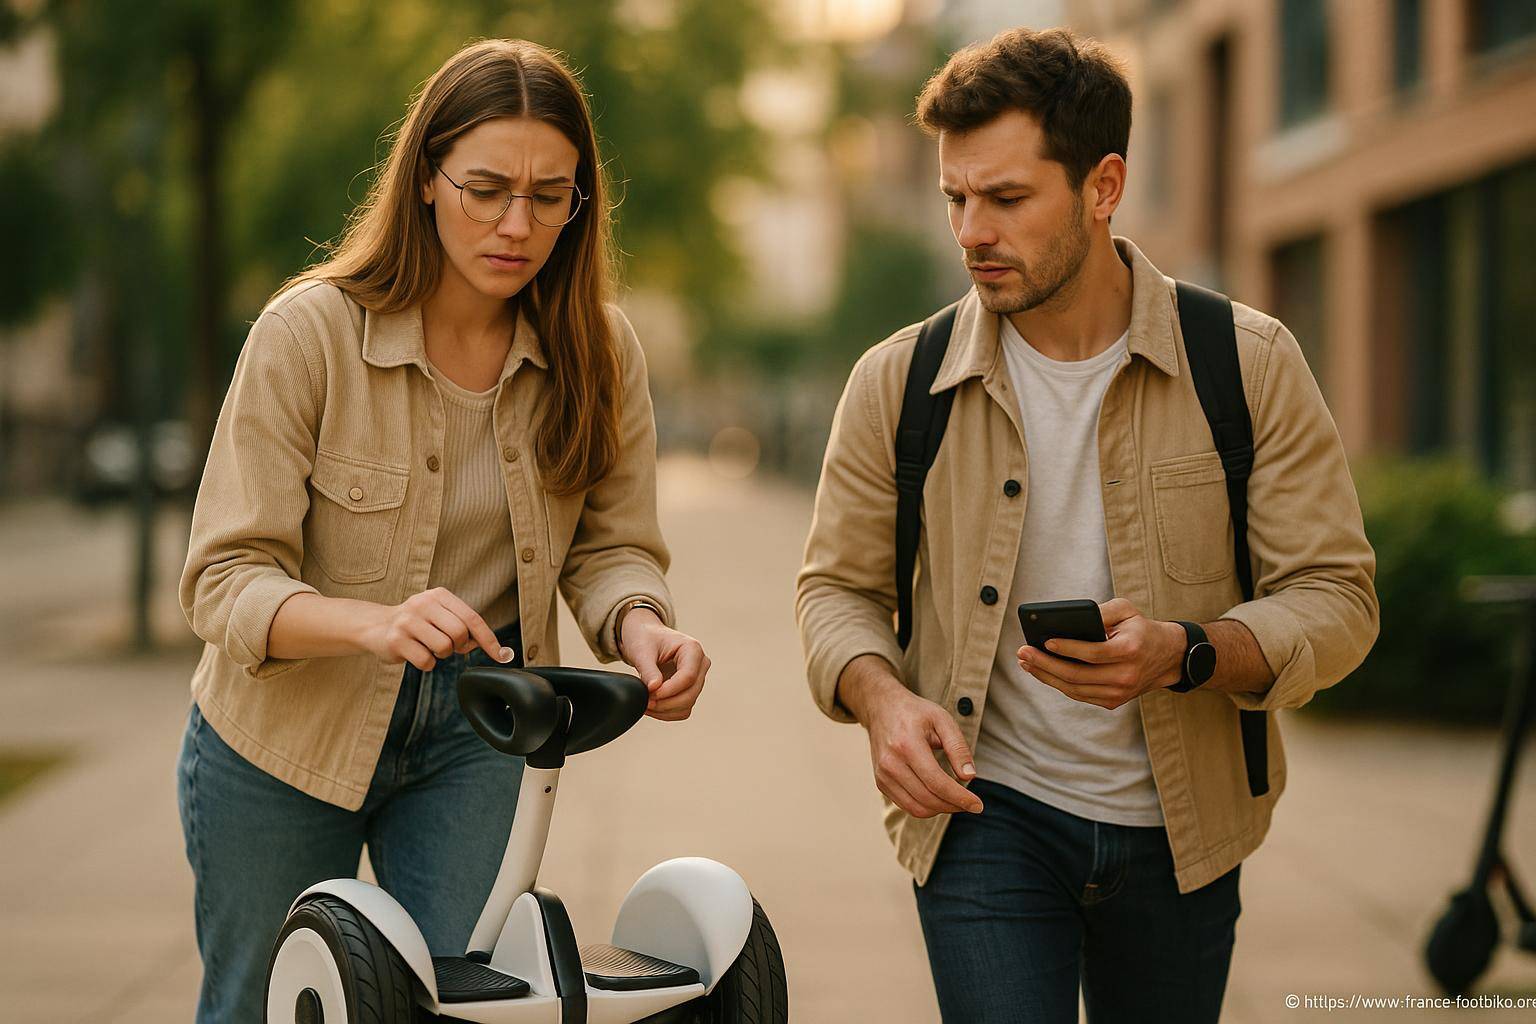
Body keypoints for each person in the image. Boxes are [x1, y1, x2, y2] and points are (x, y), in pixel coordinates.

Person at [795, 26, 1378, 1024]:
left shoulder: (1247, 362)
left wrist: (1188, 651)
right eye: (956, 198)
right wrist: (884, 702)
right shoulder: (898, 381)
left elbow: (1338, 598)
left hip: (1184, 834)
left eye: (1007, 198)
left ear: (1103, 187)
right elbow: (835, 590)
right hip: (985, 818)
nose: (971, 230)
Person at [176, 38, 711, 1023]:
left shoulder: (600, 351)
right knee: (265, 1008)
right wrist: (368, 623)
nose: (518, 223)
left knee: (457, 1009)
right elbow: (222, 578)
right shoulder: (309, 335)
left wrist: (641, 622)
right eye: (487, 188)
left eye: (552, 196)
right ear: (426, 178)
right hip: (283, 740)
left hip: (484, 731)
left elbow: (613, 545)